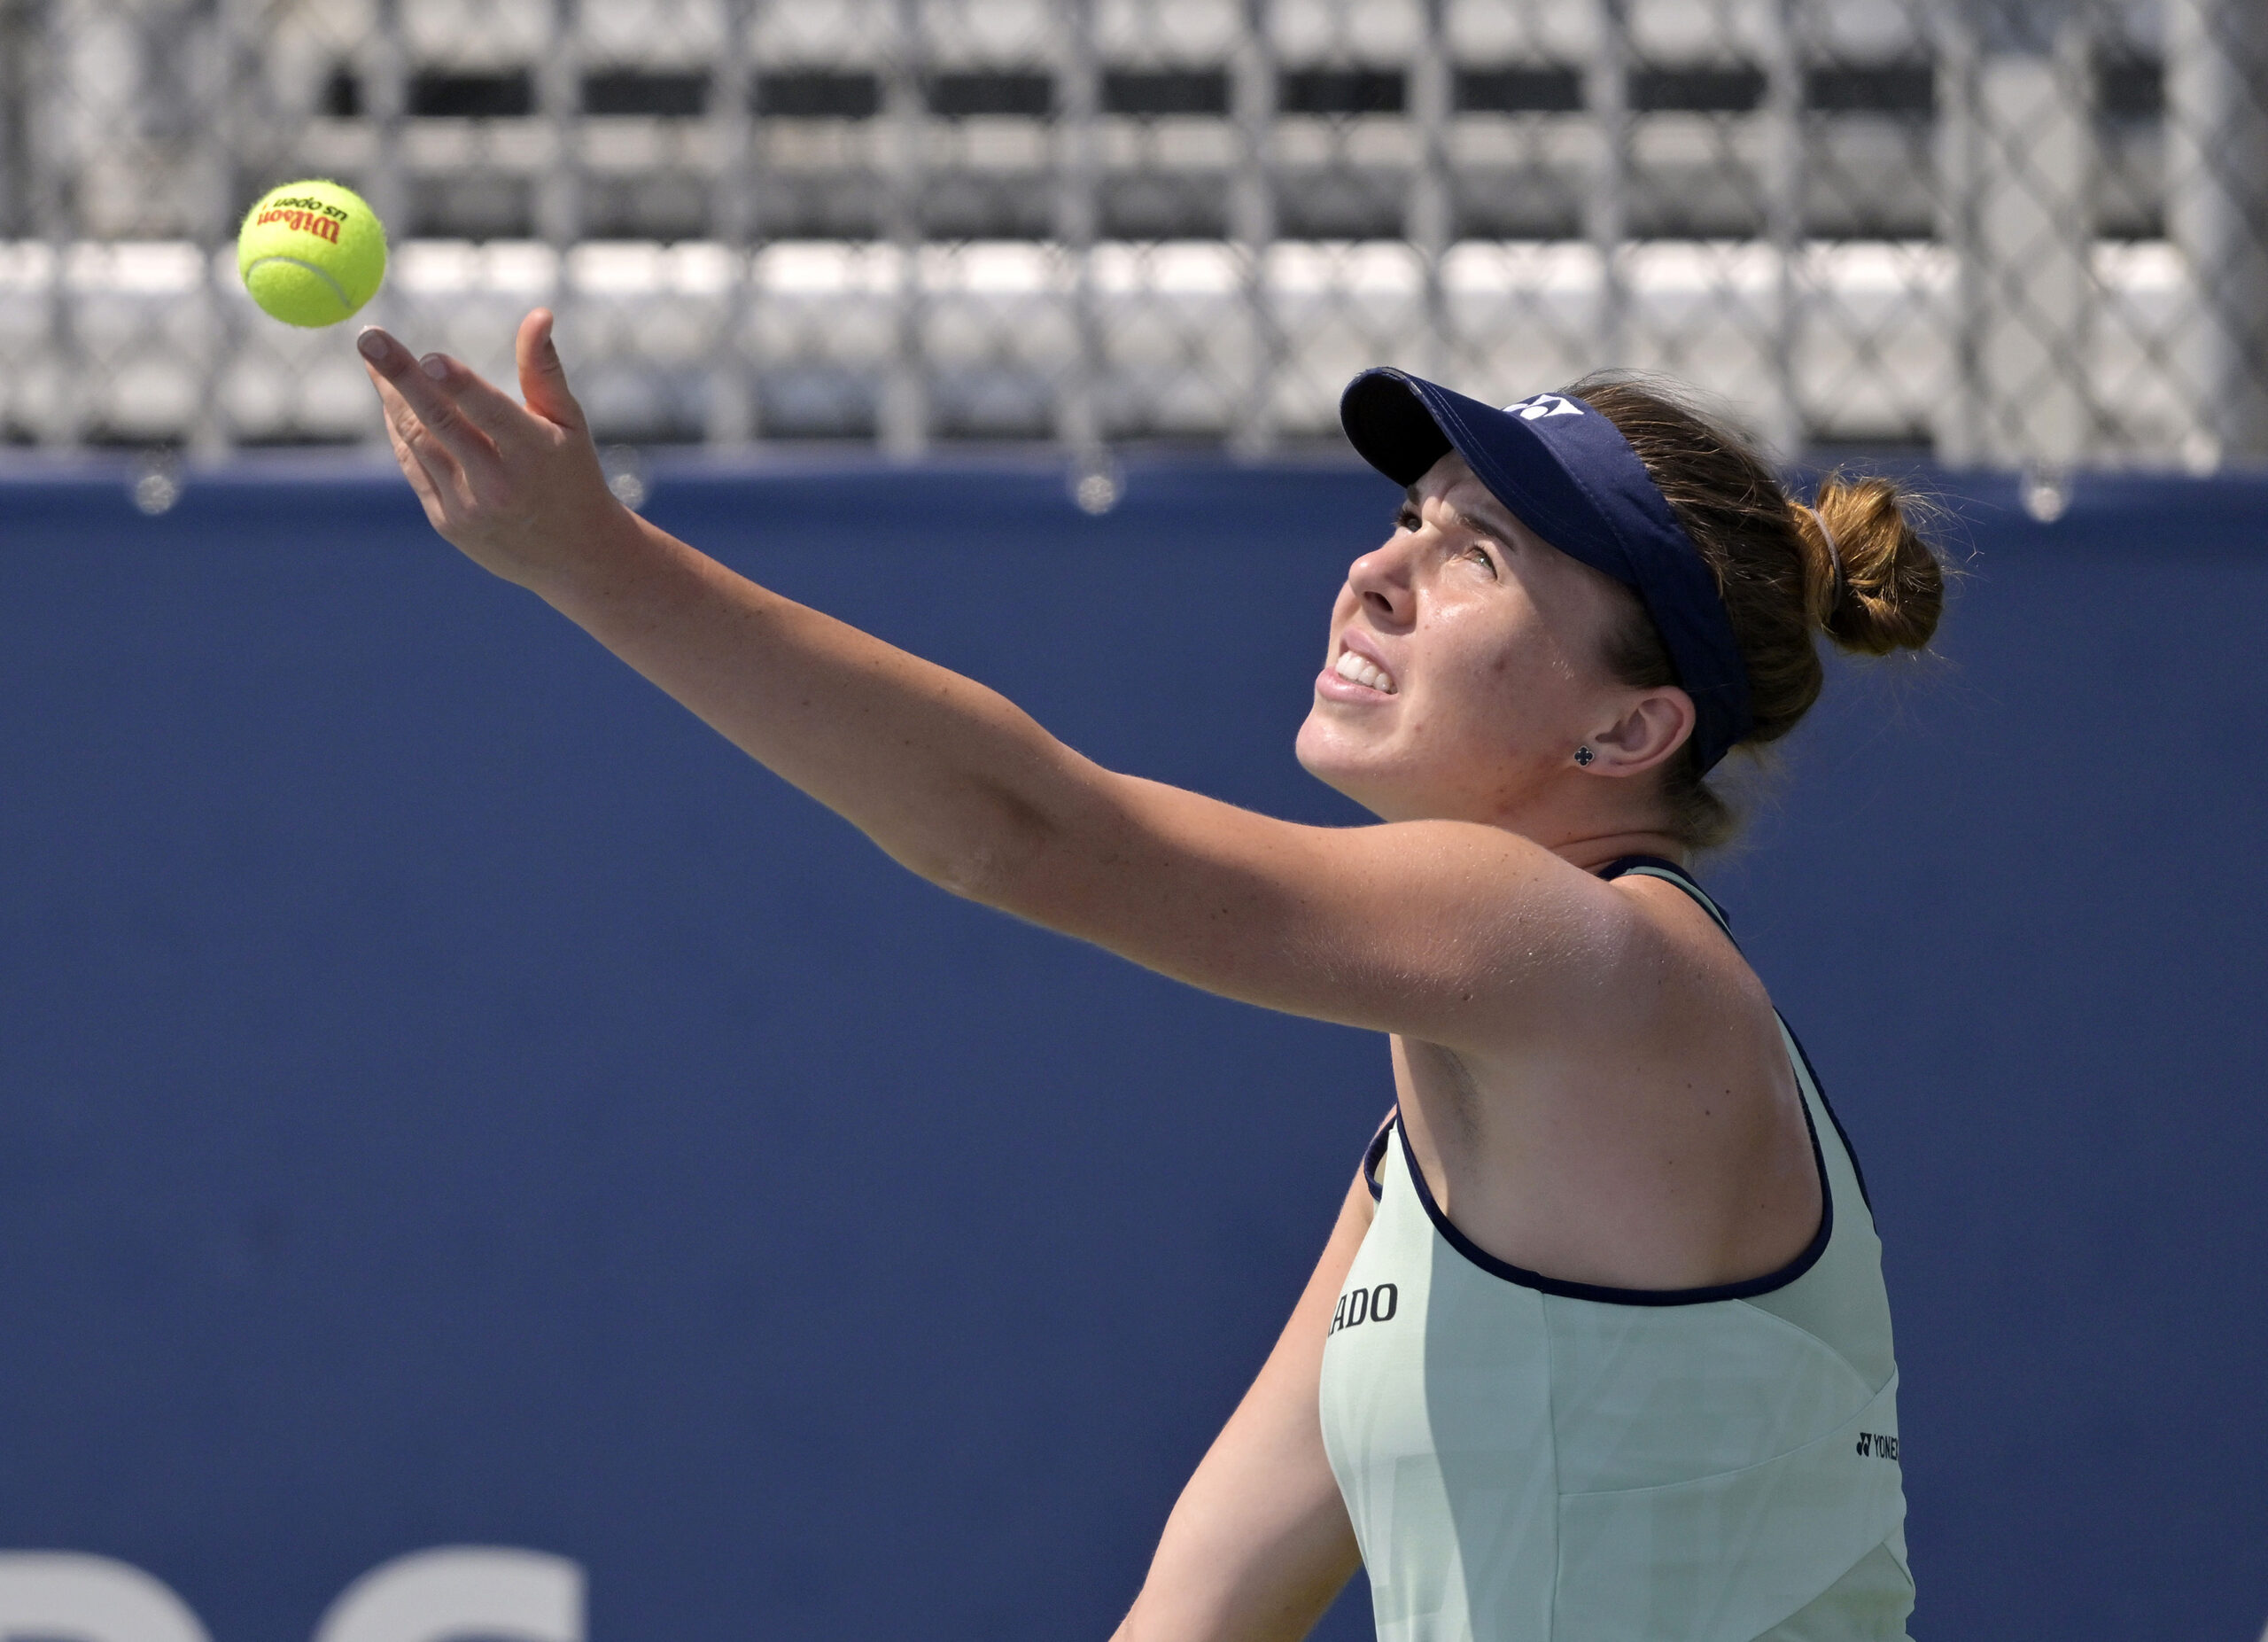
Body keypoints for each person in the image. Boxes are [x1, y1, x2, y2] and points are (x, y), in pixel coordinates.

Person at [357, 313, 1944, 1642]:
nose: (1379, 573)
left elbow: (1027, 833)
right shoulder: (1443, 1153)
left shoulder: (1602, 963)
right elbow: (1200, 1608)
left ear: (1626, 733)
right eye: (1409, 520)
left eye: (1480, 557)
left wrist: (598, 562)